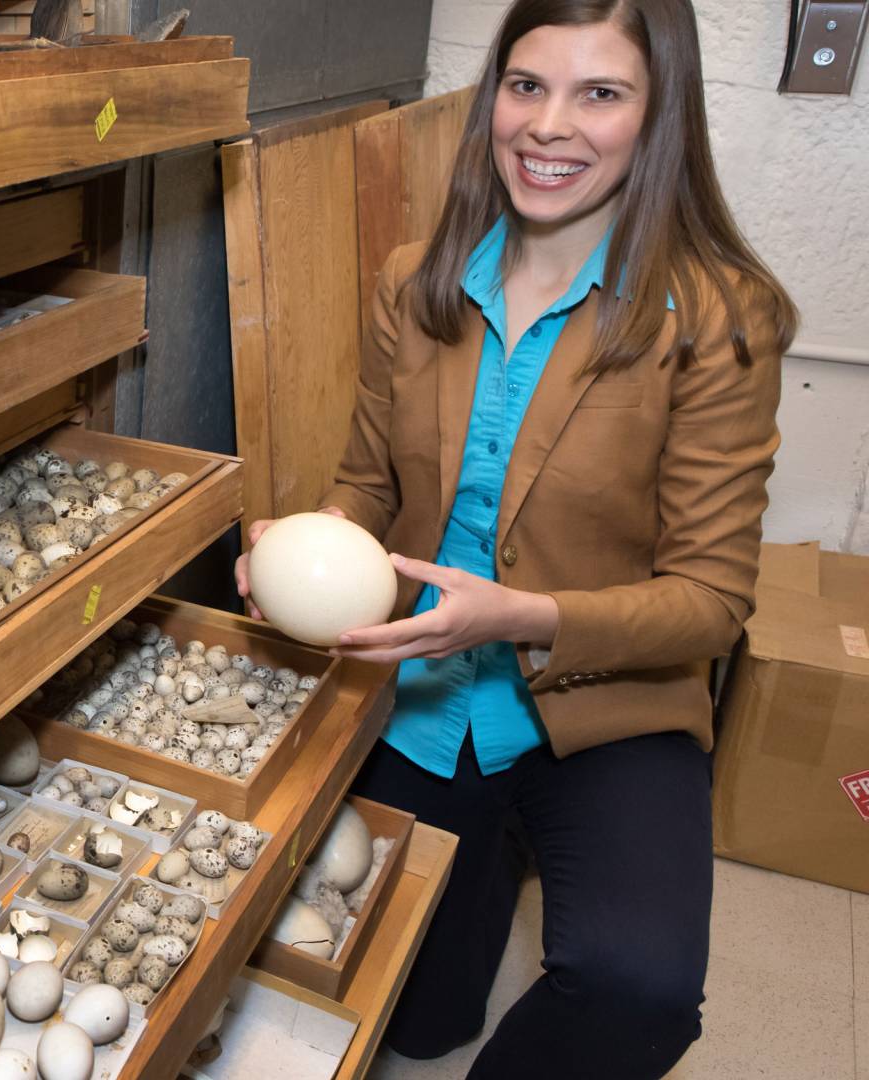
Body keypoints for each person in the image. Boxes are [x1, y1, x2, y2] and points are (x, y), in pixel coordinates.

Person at [234, 1, 798, 1076]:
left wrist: (523, 618)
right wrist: (304, 542)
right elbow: (364, 481)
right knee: (414, 1013)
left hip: (606, 702)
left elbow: (713, 602)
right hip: (429, 699)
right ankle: (479, 870)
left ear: (658, 112)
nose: (549, 126)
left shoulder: (718, 319)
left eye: (602, 93)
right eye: (527, 85)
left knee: (637, 987)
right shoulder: (420, 281)